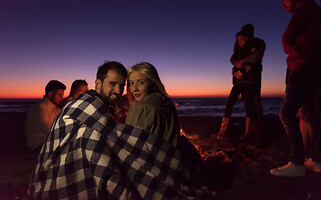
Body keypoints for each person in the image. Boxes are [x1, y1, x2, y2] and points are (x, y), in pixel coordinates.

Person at [29, 61, 211, 199]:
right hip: (63, 167)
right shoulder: (84, 105)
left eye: (122, 85)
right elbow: (99, 136)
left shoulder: (104, 106)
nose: (118, 90)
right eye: (112, 84)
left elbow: (111, 133)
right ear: (98, 83)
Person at [270, 0, 321, 177]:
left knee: (286, 114)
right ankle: (318, 161)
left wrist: (295, 49)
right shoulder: (313, 14)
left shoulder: (304, 11)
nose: (283, 6)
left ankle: (297, 163)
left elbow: (290, 41)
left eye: (284, 0)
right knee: (310, 116)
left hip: (302, 68)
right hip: (311, 69)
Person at [213, 25, 265, 140]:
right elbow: (233, 59)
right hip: (238, 81)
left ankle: (252, 132)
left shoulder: (256, 44)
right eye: (238, 39)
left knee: (251, 104)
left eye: (242, 38)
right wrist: (236, 68)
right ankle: (223, 131)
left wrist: (242, 66)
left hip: (250, 80)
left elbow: (254, 60)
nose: (239, 41)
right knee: (231, 102)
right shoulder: (238, 50)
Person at [125, 62, 181, 148]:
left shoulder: (141, 108)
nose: (134, 89)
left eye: (141, 83)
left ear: (152, 83)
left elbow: (129, 147)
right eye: (131, 83)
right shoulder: (167, 104)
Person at [24, 80, 66, 151]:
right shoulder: (39, 109)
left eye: (62, 95)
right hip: (38, 146)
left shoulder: (55, 109)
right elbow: (53, 132)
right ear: (50, 94)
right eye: (59, 95)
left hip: (50, 143)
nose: (62, 98)